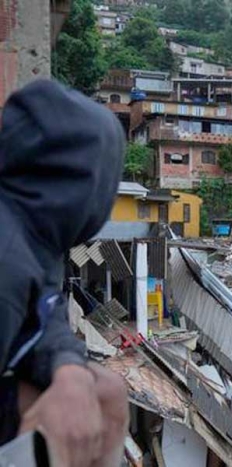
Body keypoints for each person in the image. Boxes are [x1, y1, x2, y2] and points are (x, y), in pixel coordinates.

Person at [0, 78, 128, 467]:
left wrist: (68, 368)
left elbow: (47, 313)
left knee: (105, 390)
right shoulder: (7, 264)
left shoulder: (35, 239)